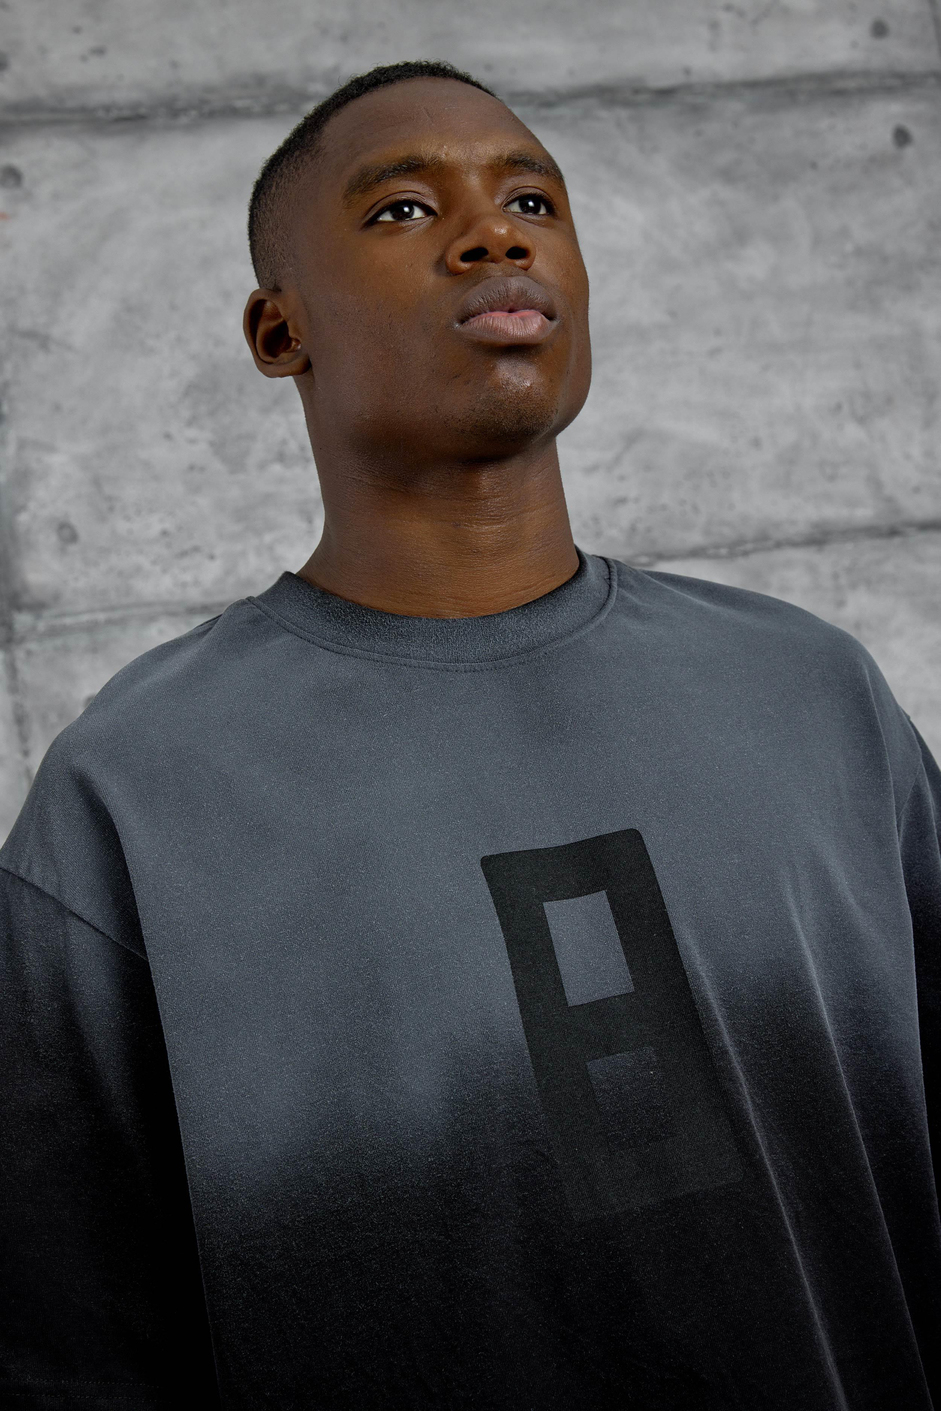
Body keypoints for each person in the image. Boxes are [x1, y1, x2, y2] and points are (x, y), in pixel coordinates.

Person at [1, 58, 938, 1411]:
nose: (493, 234)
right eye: (401, 209)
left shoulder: (813, 692)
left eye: (531, 201)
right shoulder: (136, 794)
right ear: (277, 331)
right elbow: (66, 1352)